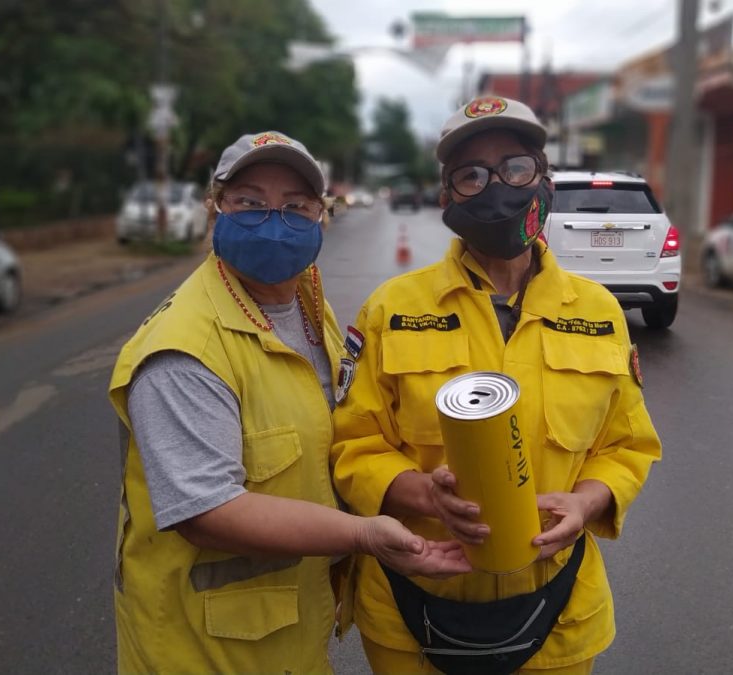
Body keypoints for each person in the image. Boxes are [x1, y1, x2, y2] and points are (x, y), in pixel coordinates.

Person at [107, 131, 470, 674]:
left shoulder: (306, 303)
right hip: (203, 648)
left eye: (296, 206)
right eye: (250, 203)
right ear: (215, 207)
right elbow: (206, 511)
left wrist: (417, 488)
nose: (274, 222)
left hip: (285, 631)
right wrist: (364, 534)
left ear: (321, 215)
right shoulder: (185, 350)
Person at [331, 97, 663, 674]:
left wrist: (586, 502)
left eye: (515, 167)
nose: (496, 188)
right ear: (446, 197)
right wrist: (424, 495)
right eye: (472, 175)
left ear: (544, 181)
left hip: (558, 615)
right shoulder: (392, 309)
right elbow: (353, 444)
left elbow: (626, 446)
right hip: (411, 609)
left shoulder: (598, 311)